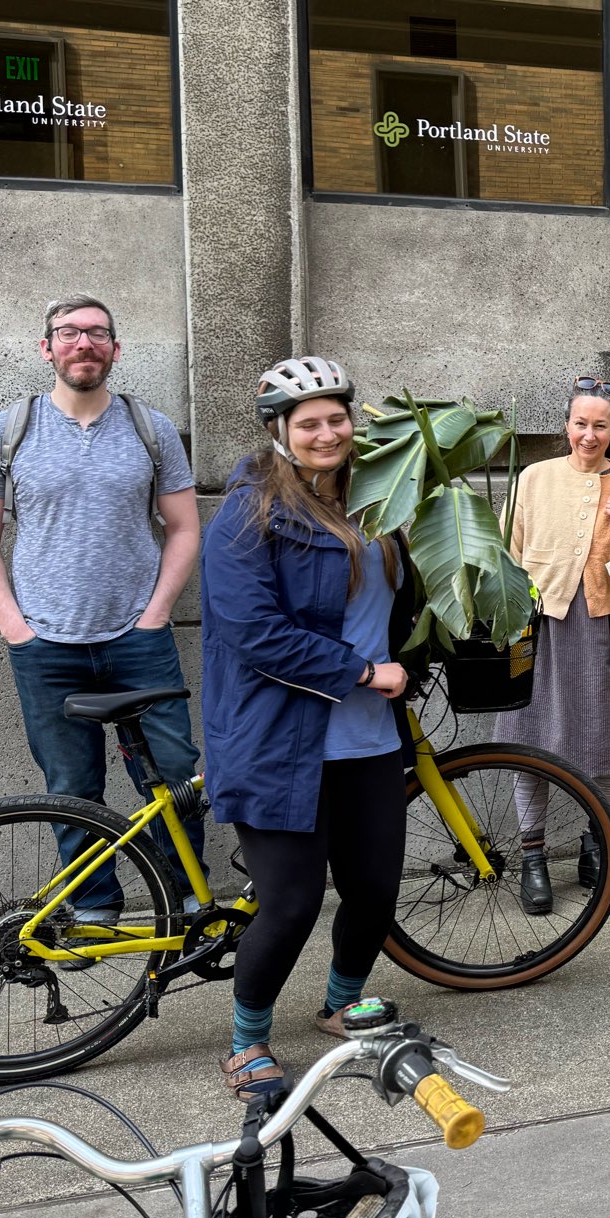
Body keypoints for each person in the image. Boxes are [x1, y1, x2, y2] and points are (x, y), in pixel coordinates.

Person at [200, 357, 420, 1100]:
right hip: (279, 741)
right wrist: (362, 672)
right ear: (279, 431)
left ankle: (340, 1002)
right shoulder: (249, 514)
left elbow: (393, 602)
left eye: (337, 418)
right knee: (291, 902)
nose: (328, 433)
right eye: (309, 423)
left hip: (369, 739)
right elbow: (254, 633)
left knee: (375, 890)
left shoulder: (374, 499)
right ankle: (246, 1042)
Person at [0, 295, 203, 919]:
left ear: (115, 349)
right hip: (45, 646)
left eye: (97, 333)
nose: (83, 343)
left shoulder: (151, 429)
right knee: (71, 788)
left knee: (174, 777)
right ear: (47, 348)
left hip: (139, 640)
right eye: (68, 333)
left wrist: (156, 614)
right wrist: (15, 628)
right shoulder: (6, 431)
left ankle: (184, 906)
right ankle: (94, 910)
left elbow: (183, 527)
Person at [497, 376, 610, 906]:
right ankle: (533, 858)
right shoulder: (533, 478)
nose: (588, 435)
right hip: (538, 625)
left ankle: (598, 850)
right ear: (566, 426)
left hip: (602, 626)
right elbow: (507, 552)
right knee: (530, 736)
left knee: (604, 740)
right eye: (580, 424)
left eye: (600, 426)